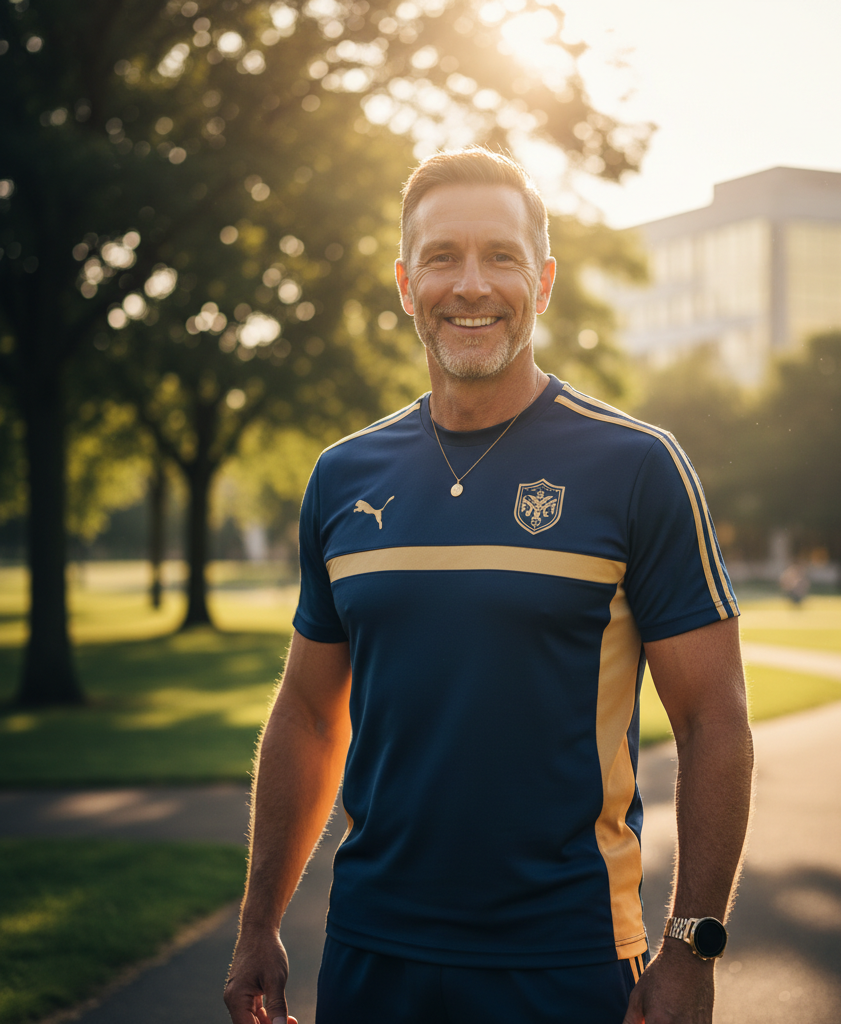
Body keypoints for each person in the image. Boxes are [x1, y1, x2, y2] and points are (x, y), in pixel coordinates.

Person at [224, 148, 754, 1024]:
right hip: (369, 958)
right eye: (442, 257)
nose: (471, 285)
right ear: (405, 283)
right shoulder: (342, 475)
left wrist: (692, 947)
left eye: (501, 256)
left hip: (567, 961)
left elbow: (713, 720)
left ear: (541, 282)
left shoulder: (639, 467)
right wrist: (257, 926)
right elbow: (310, 715)